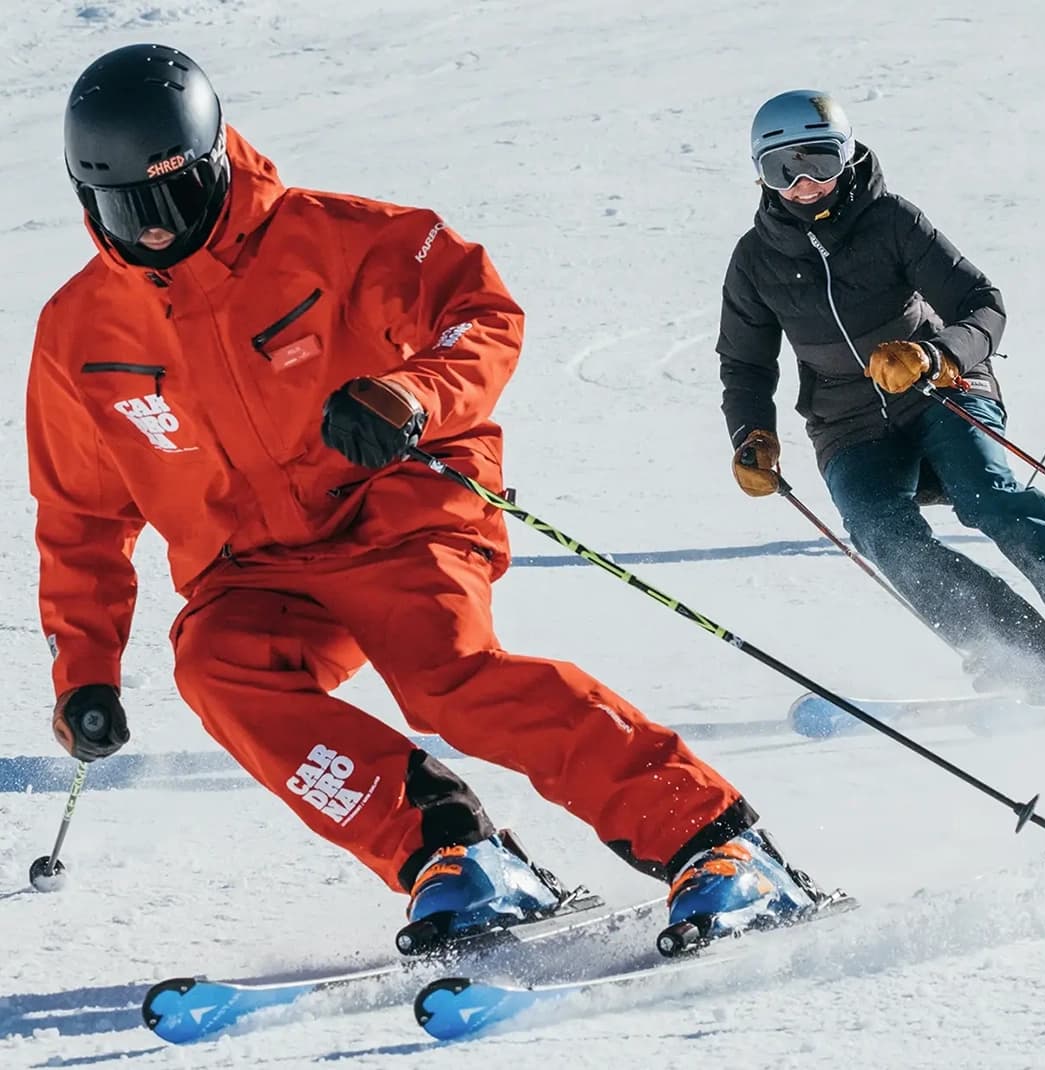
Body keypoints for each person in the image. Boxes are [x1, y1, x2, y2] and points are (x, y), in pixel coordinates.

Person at [29, 43, 819, 950]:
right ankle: (455, 853)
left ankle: (715, 840)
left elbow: (481, 315)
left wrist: (411, 396)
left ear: (214, 162)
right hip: (253, 567)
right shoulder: (78, 331)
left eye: (171, 200)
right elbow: (80, 517)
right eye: (127, 209)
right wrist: (83, 671)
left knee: (448, 681)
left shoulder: (335, 237)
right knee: (218, 666)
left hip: (397, 508)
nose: (156, 231)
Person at [718, 89, 1045, 701]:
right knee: (883, 533)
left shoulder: (893, 222)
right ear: (761, 176)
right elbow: (744, 364)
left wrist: (936, 356)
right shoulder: (754, 261)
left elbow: (983, 305)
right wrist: (751, 433)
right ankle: (1027, 658)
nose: (803, 183)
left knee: (988, 496)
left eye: (820, 163)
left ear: (845, 156)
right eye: (782, 170)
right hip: (846, 421)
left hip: (940, 391)